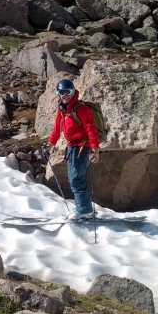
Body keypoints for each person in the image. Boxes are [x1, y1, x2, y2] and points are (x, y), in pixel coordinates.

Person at [46, 79, 100, 220]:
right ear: (58, 93)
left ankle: (84, 210)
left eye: (67, 92)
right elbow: (57, 128)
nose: (65, 96)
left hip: (82, 147)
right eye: (61, 92)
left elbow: (91, 129)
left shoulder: (81, 109)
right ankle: (83, 207)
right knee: (74, 178)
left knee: (76, 178)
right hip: (71, 147)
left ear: (72, 91)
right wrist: (51, 143)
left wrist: (95, 149)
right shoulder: (62, 109)